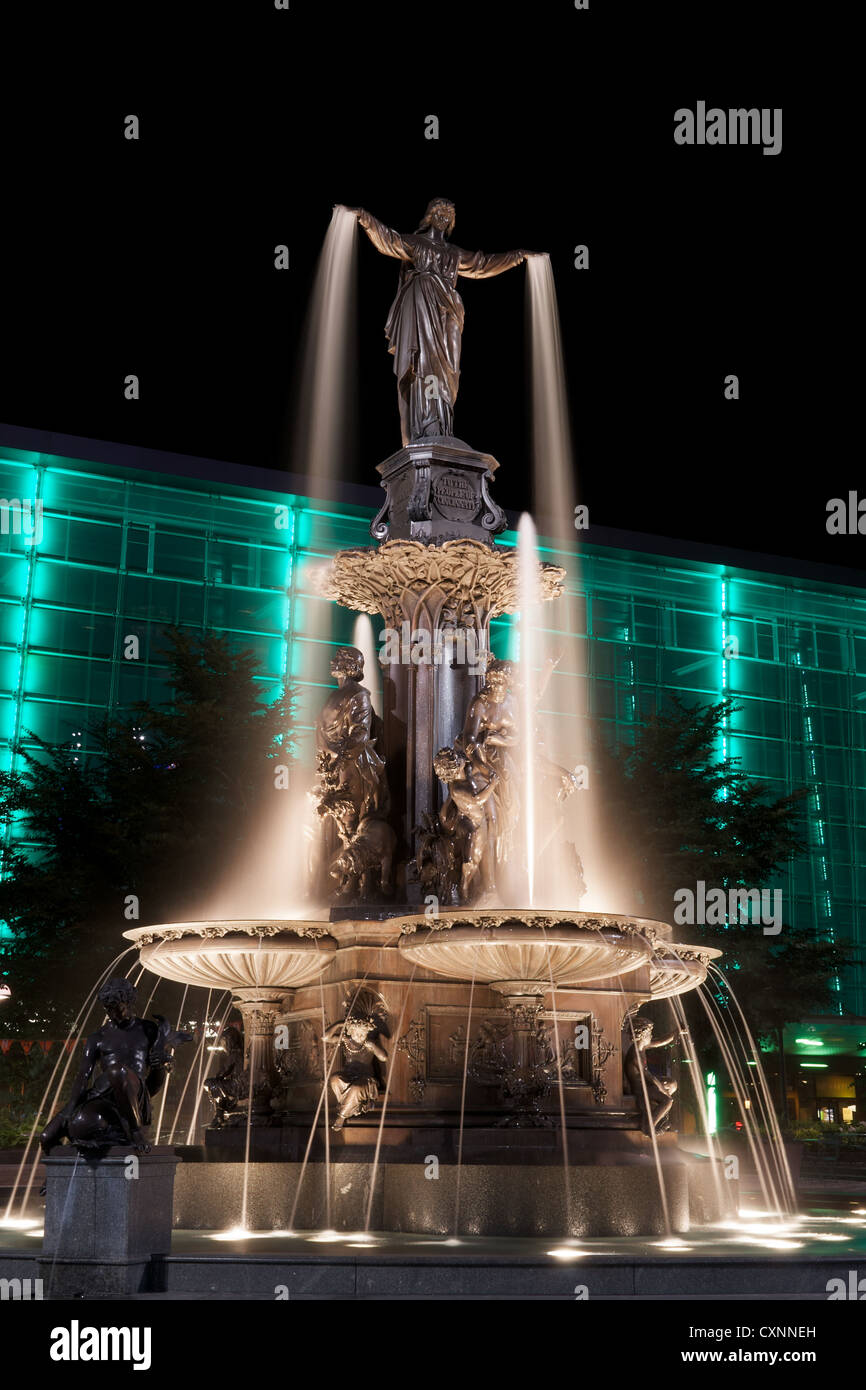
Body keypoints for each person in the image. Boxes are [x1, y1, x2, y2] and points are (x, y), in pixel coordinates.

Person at [341, 200, 532, 445]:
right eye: (440, 212)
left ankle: (442, 424)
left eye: (449, 214)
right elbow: (389, 239)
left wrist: (519, 256)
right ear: (430, 216)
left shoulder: (454, 253)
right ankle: (427, 426)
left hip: (450, 309)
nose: (444, 216)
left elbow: (483, 264)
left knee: (450, 367)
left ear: (452, 222)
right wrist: (364, 217)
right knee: (424, 362)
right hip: (422, 302)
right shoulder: (416, 243)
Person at [40, 978, 191, 1154]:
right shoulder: (98, 1037)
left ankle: (135, 1131)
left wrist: (164, 1062)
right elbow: (82, 1077)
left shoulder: (147, 1029)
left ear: (129, 1002)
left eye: (117, 1008)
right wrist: (69, 1110)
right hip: (101, 1095)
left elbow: (158, 1075)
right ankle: (54, 1180)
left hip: (135, 1093)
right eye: (108, 1009)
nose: (112, 1014)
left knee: (117, 1071)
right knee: (46, 1137)